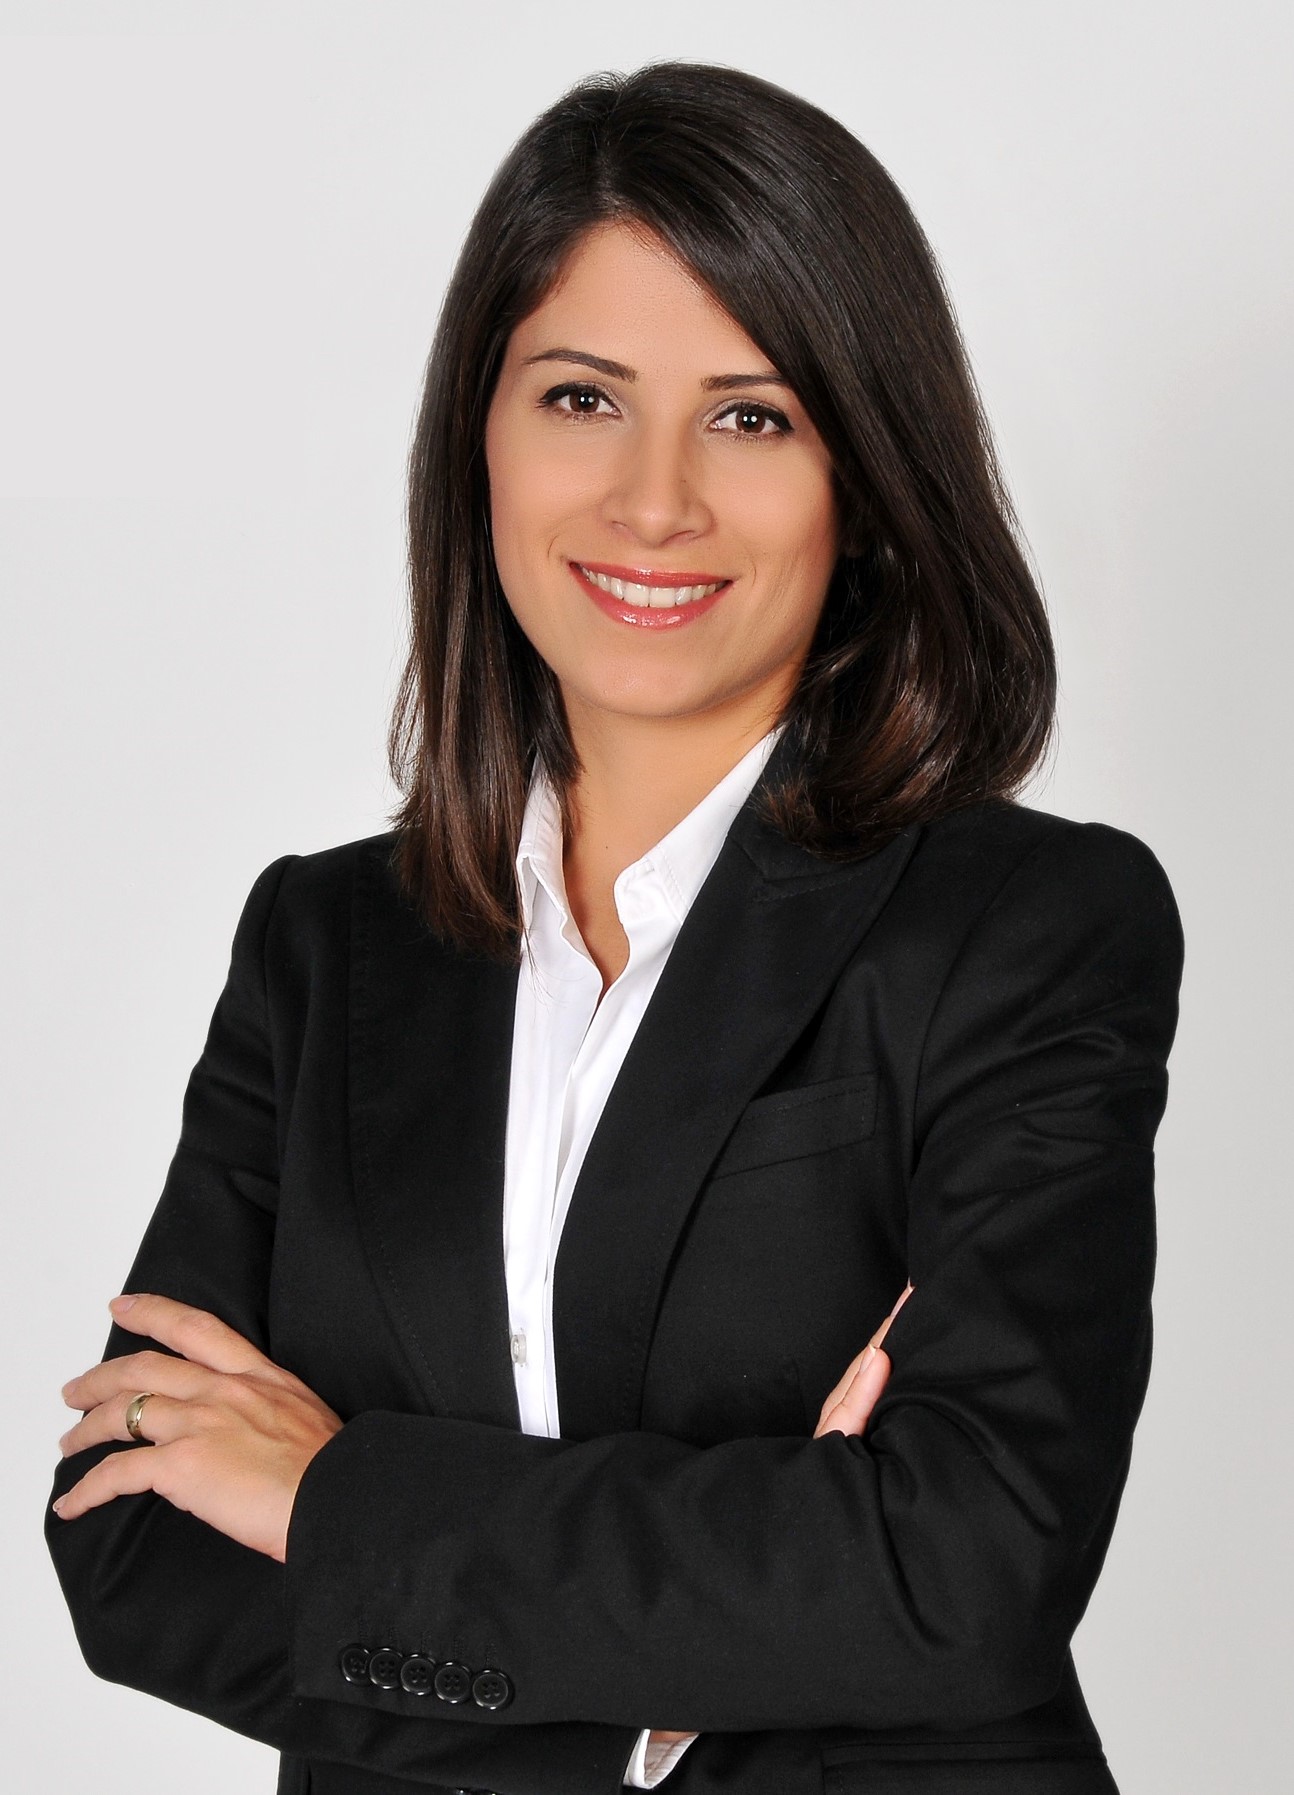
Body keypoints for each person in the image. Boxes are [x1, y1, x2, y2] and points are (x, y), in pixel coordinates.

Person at [45, 60, 1183, 1795]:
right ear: (478, 436)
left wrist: (333, 1497)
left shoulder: (1022, 927)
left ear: (865, 478)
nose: (654, 502)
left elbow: (959, 1570)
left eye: (752, 417)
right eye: (581, 397)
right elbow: (134, 1543)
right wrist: (685, 1684)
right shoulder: (323, 945)